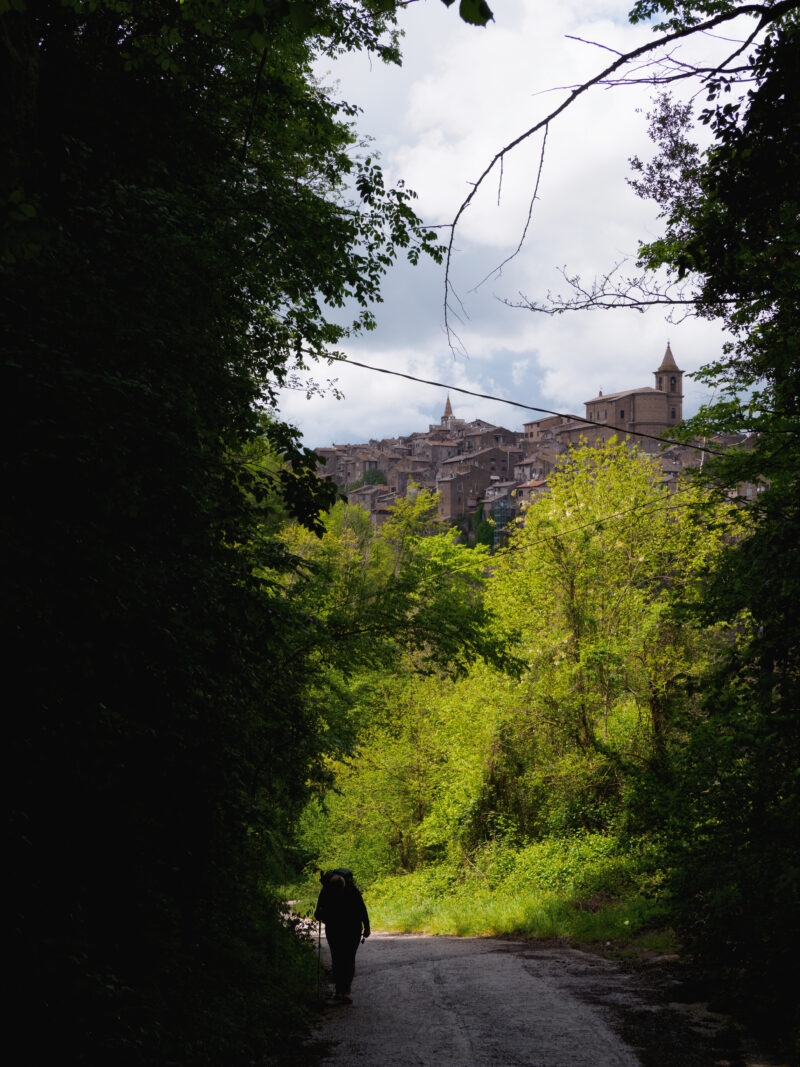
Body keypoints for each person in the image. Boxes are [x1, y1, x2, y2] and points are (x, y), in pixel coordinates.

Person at [314, 869, 370, 1003]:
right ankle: (340, 991)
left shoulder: (352, 890)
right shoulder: (326, 891)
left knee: (348, 959)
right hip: (335, 929)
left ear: (344, 886)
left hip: (352, 929)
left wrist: (367, 927)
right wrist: (323, 914)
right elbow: (317, 913)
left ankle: (346, 992)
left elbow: (362, 909)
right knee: (338, 959)